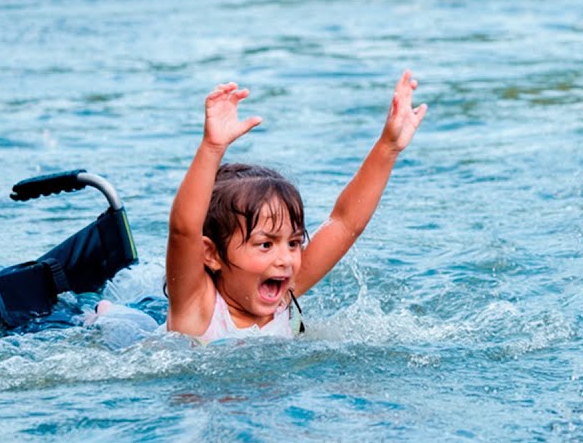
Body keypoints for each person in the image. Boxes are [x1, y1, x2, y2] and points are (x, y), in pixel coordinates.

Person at [162, 71, 426, 343]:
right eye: (265, 244)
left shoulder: (282, 295)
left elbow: (345, 222)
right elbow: (184, 230)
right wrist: (212, 148)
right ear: (211, 254)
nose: (285, 259)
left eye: (293, 243)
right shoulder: (196, 308)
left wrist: (388, 147)